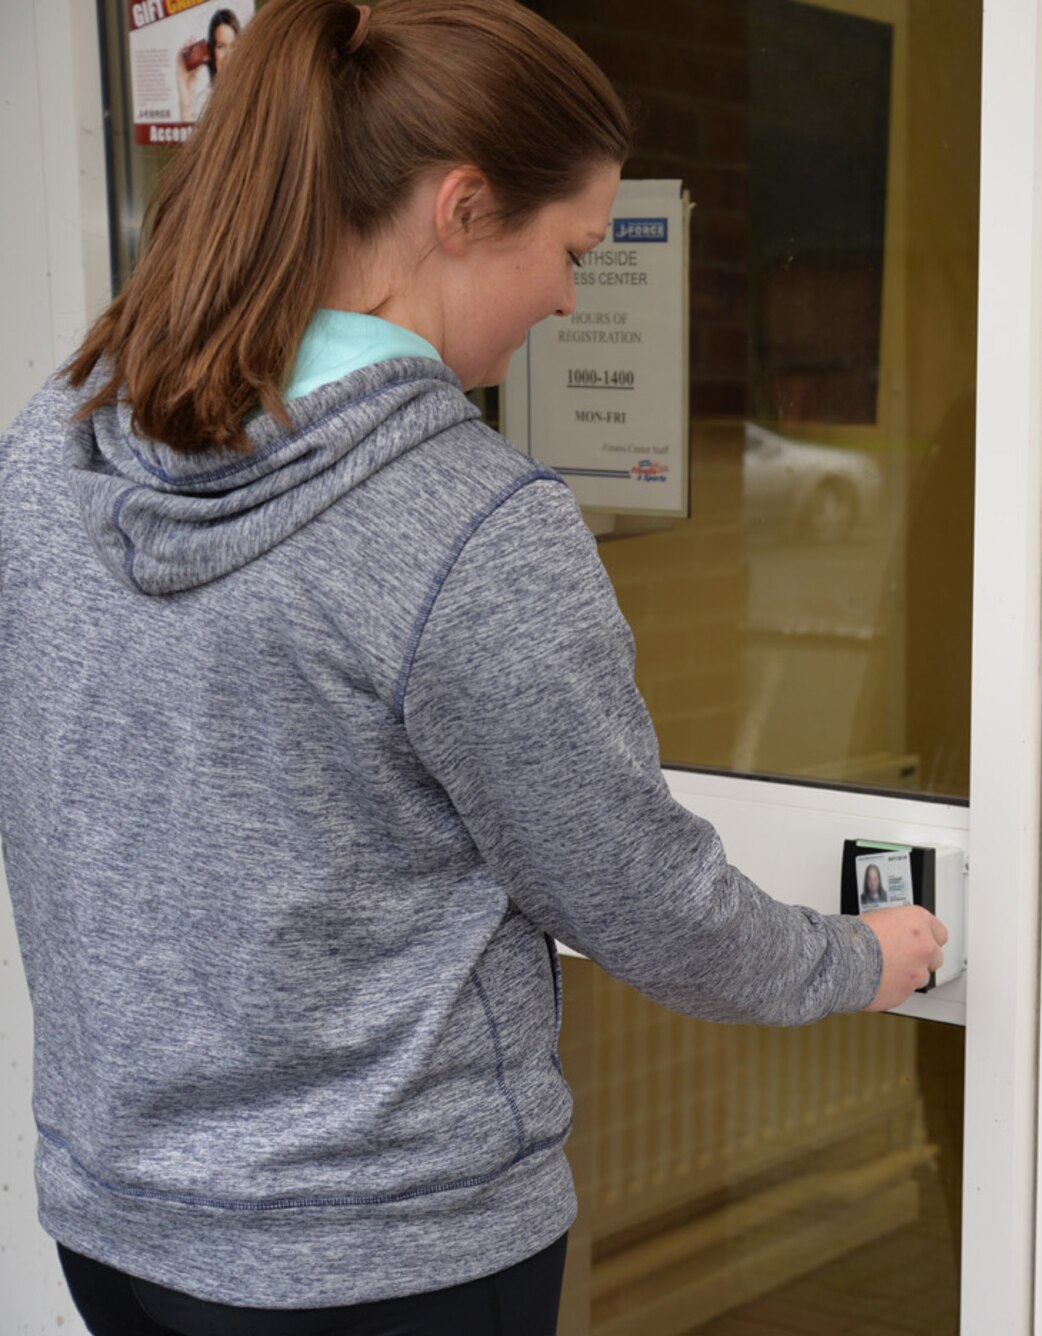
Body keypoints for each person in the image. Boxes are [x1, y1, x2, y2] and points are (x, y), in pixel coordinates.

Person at [0, 1, 946, 1332]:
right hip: (391, 1258)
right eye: (569, 248)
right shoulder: (472, 524)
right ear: (458, 209)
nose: (572, 294)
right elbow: (641, 899)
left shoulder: (55, 444)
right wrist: (860, 958)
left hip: (117, 1233)